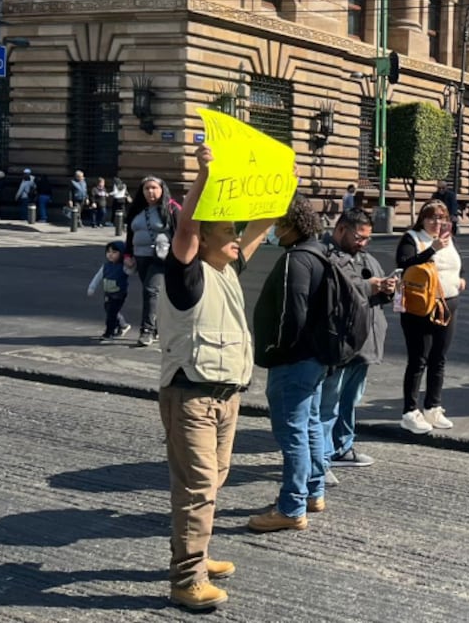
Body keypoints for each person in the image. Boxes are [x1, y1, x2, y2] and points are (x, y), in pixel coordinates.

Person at [157, 144, 277, 610]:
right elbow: (185, 226)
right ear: (203, 240)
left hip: (226, 397)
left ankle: (198, 556)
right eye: (227, 231)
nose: (236, 237)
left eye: (235, 232)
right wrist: (203, 176)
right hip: (191, 394)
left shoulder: (226, 268)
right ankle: (186, 580)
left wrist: (280, 187)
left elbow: (260, 230)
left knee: (214, 478)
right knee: (198, 485)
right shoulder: (186, 274)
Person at [248, 196, 330, 534]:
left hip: (293, 361)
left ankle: (291, 507)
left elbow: (290, 316)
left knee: (292, 434)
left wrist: (273, 348)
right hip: (316, 358)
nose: (273, 230)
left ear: (290, 225)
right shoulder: (319, 253)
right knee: (309, 425)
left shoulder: (294, 260)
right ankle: (314, 491)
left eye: (277, 223)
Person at [319, 209, 396, 472]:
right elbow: (335, 293)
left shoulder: (367, 259)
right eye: (359, 237)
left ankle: (342, 447)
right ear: (341, 229)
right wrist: (370, 287)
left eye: (367, 238)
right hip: (341, 345)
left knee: (350, 401)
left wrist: (387, 289)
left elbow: (377, 291)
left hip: (365, 345)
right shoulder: (325, 256)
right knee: (328, 404)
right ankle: (321, 460)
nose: (363, 243)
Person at [396, 200, 463, 434]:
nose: (438, 222)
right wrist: (432, 249)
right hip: (421, 307)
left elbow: (454, 264)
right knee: (418, 359)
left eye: (442, 218)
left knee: (439, 358)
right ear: (422, 219)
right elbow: (405, 265)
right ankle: (409, 411)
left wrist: (459, 278)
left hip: (448, 304)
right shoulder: (412, 238)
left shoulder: (448, 239)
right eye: (432, 217)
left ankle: (433, 406)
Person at [124, 176, 181, 348]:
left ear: (162, 189)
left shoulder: (171, 208)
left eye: (154, 188)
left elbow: (180, 234)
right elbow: (130, 235)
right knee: (154, 294)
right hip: (140, 256)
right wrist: (127, 254)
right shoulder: (137, 209)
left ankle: (146, 331)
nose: (150, 191)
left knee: (150, 291)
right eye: (146, 188)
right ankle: (158, 327)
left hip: (161, 258)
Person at [86, 241, 131, 341]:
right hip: (108, 292)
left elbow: (131, 271)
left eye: (114, 252)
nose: (110, 254)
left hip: (119, 293)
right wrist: (92, 287)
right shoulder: (106, 266)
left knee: (112, 313)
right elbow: (98, 276)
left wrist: (130, 263)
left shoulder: (123, 266)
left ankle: (109, 332)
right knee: (109, 310)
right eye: (108, 252)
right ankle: (123, 325)